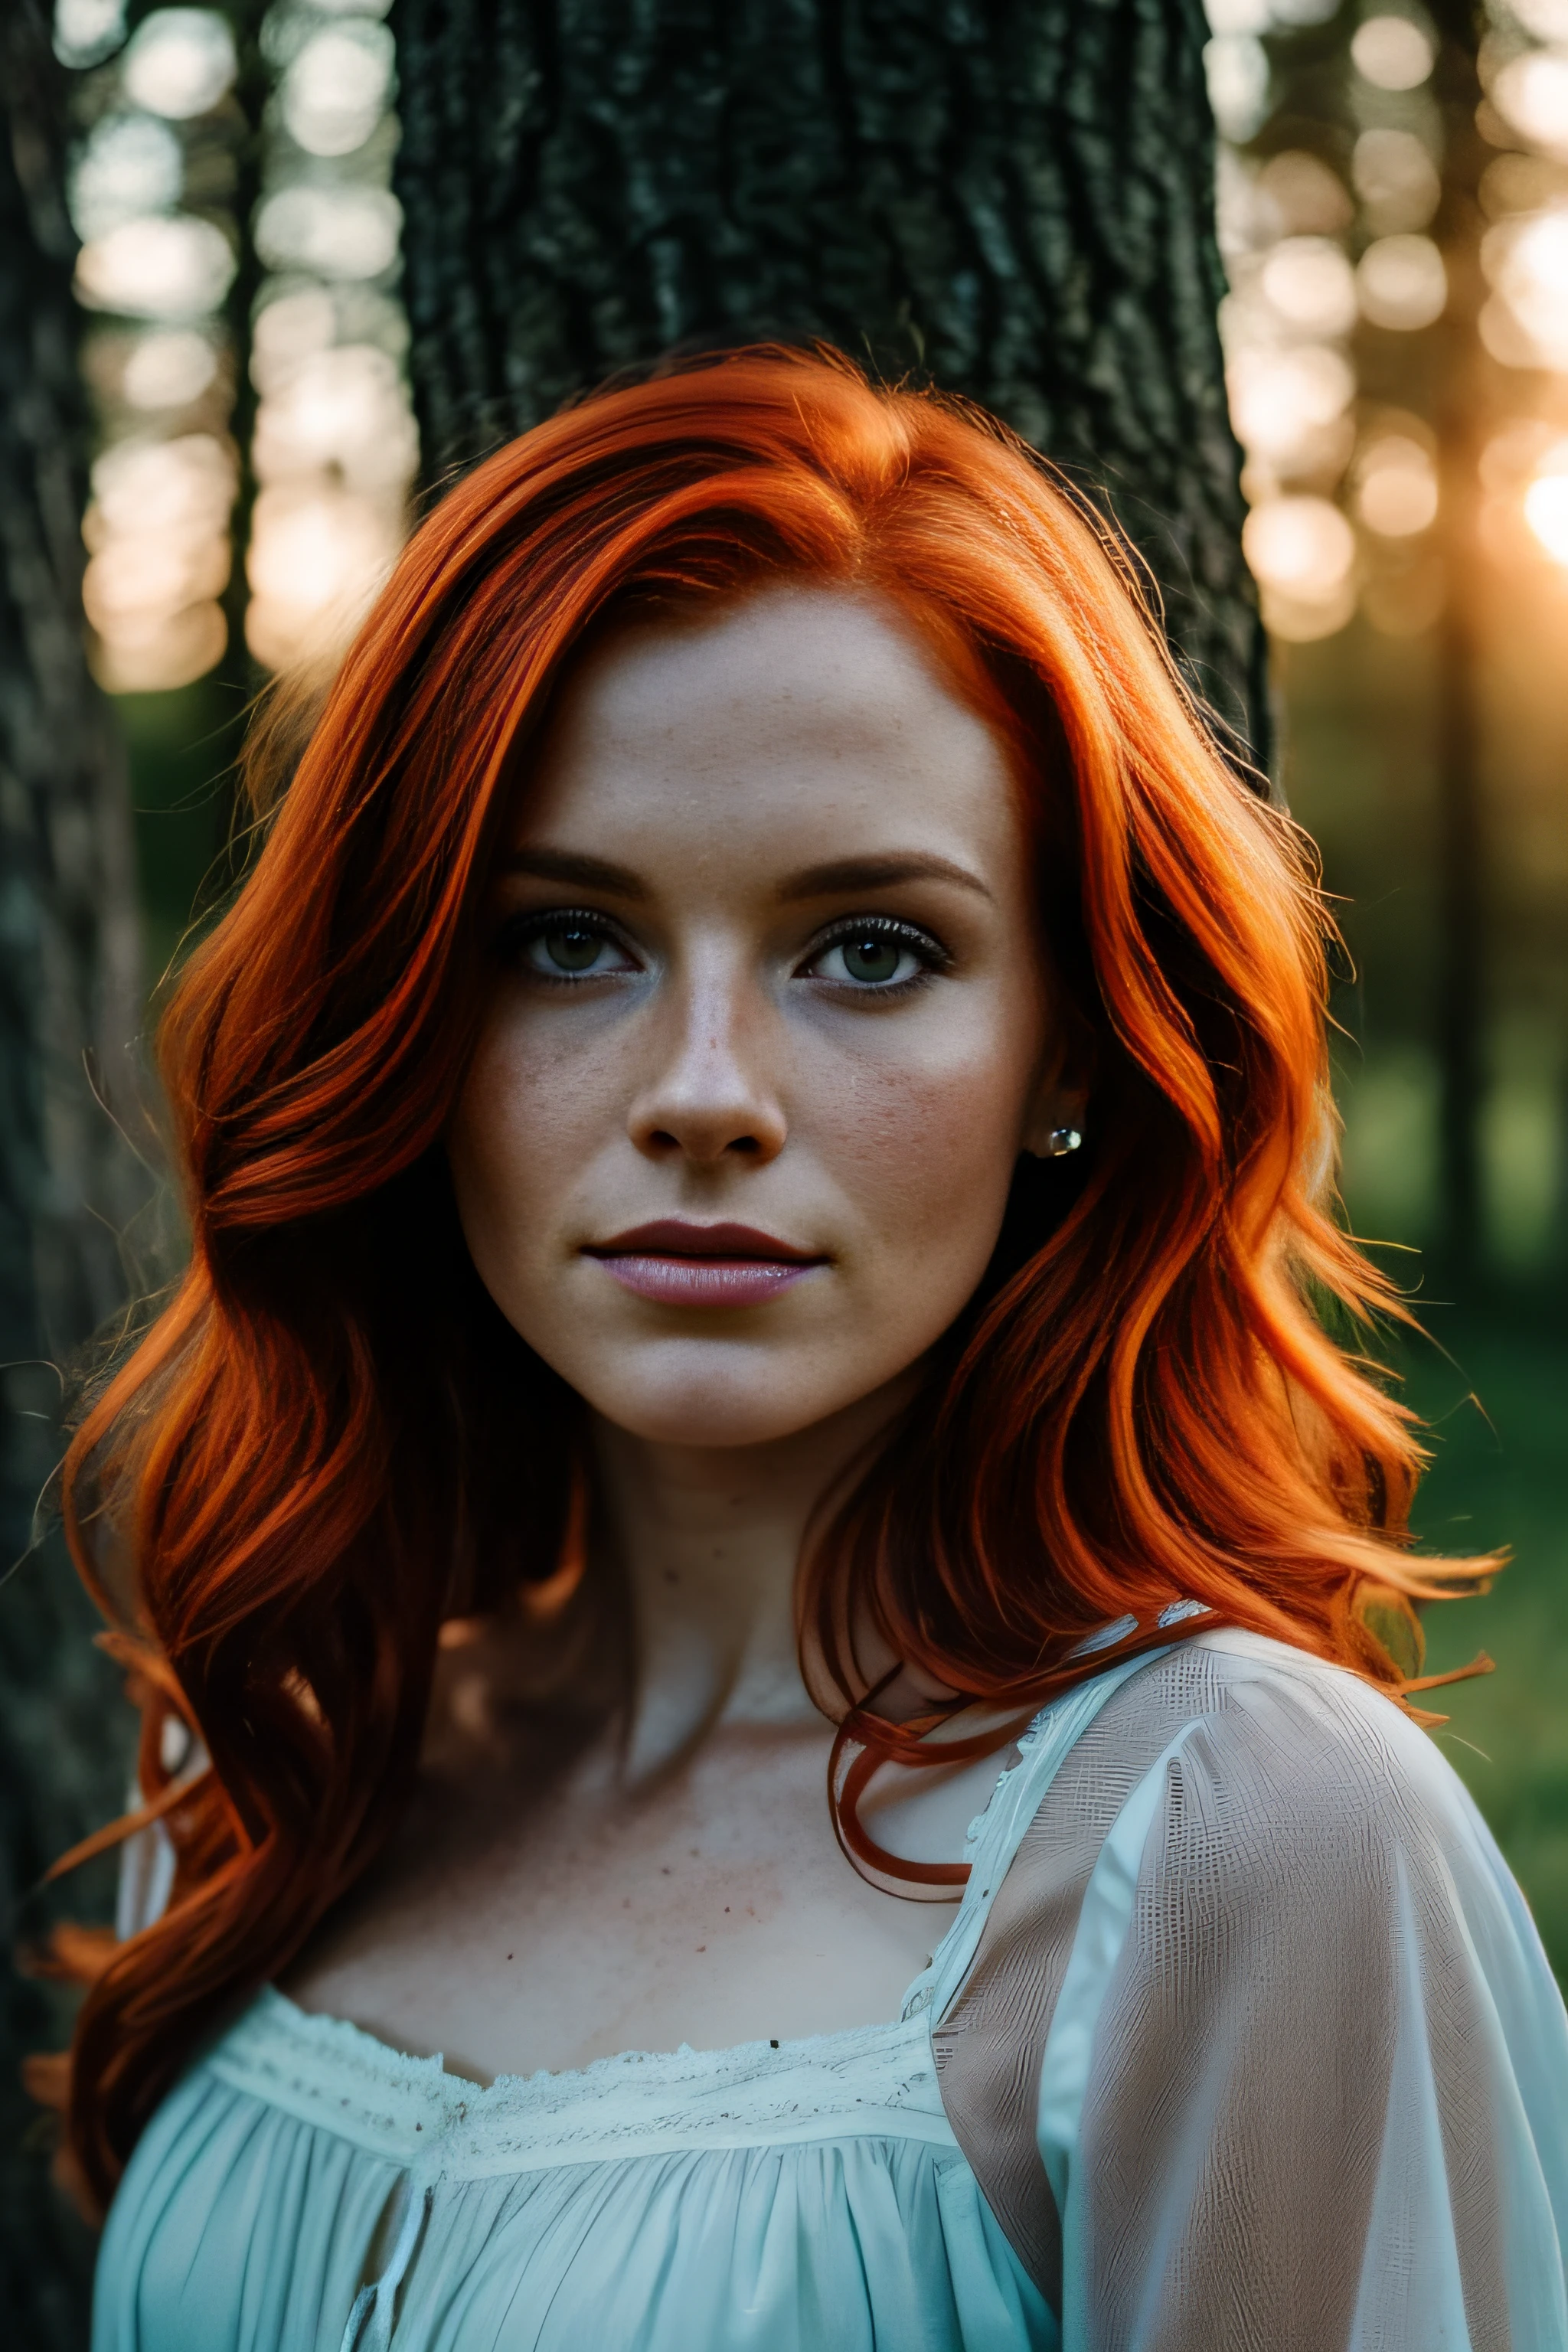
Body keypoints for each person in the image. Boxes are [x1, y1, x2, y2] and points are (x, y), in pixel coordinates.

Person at [58, 350, 1566, 2350]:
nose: (703, 1096)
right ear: (410, 1017)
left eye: (872, 948)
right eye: (562, 938)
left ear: (1073, 1052)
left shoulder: (1244, 1847)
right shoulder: (284, 1728)